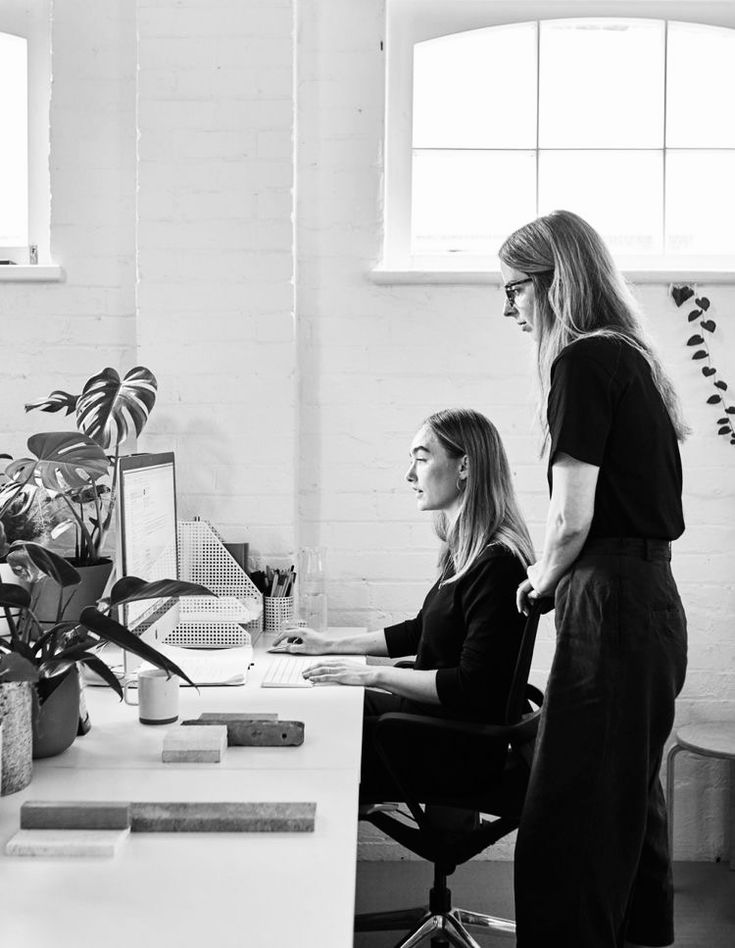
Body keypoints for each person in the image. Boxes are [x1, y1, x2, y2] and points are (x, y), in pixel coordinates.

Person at [498, 209, 688, 948]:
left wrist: (541, 577)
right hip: (649, 599)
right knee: (627, 804)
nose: (509, 307)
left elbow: (570, 517)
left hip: (608, 599)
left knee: (569, 818)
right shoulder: (630, 357)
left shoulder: (578, 361)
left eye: (515, 289)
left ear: (553, 284)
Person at [272, 407, 535, 801]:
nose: (409, 476)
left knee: (316, 733)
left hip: (451, 749)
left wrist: (370, 675)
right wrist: (330, 645)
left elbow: (469, 686)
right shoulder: (466, 549)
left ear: (464, 466)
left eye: (421, 459)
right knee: (322, 706)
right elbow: (421, 630)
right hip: (427, 724)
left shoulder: (498, 563)